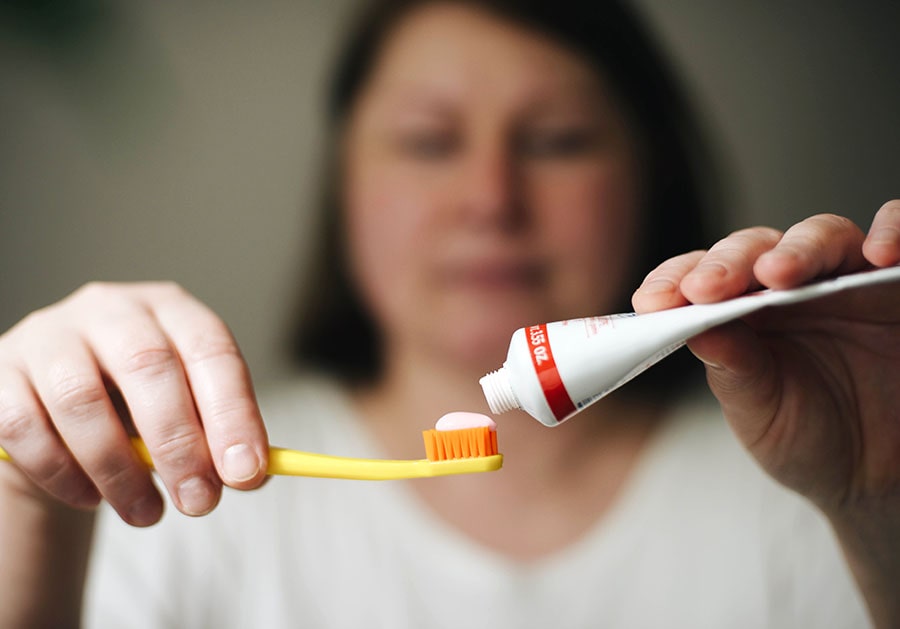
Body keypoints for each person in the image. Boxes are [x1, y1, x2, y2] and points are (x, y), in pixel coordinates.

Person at [0, 0, 897, 627]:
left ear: (650, 173)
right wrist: (26, 502)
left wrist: (878, 504)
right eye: (428, 141)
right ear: (344, 183)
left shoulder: (814, 504)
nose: (489, 199)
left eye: (557, 141)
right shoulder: (179, 498)